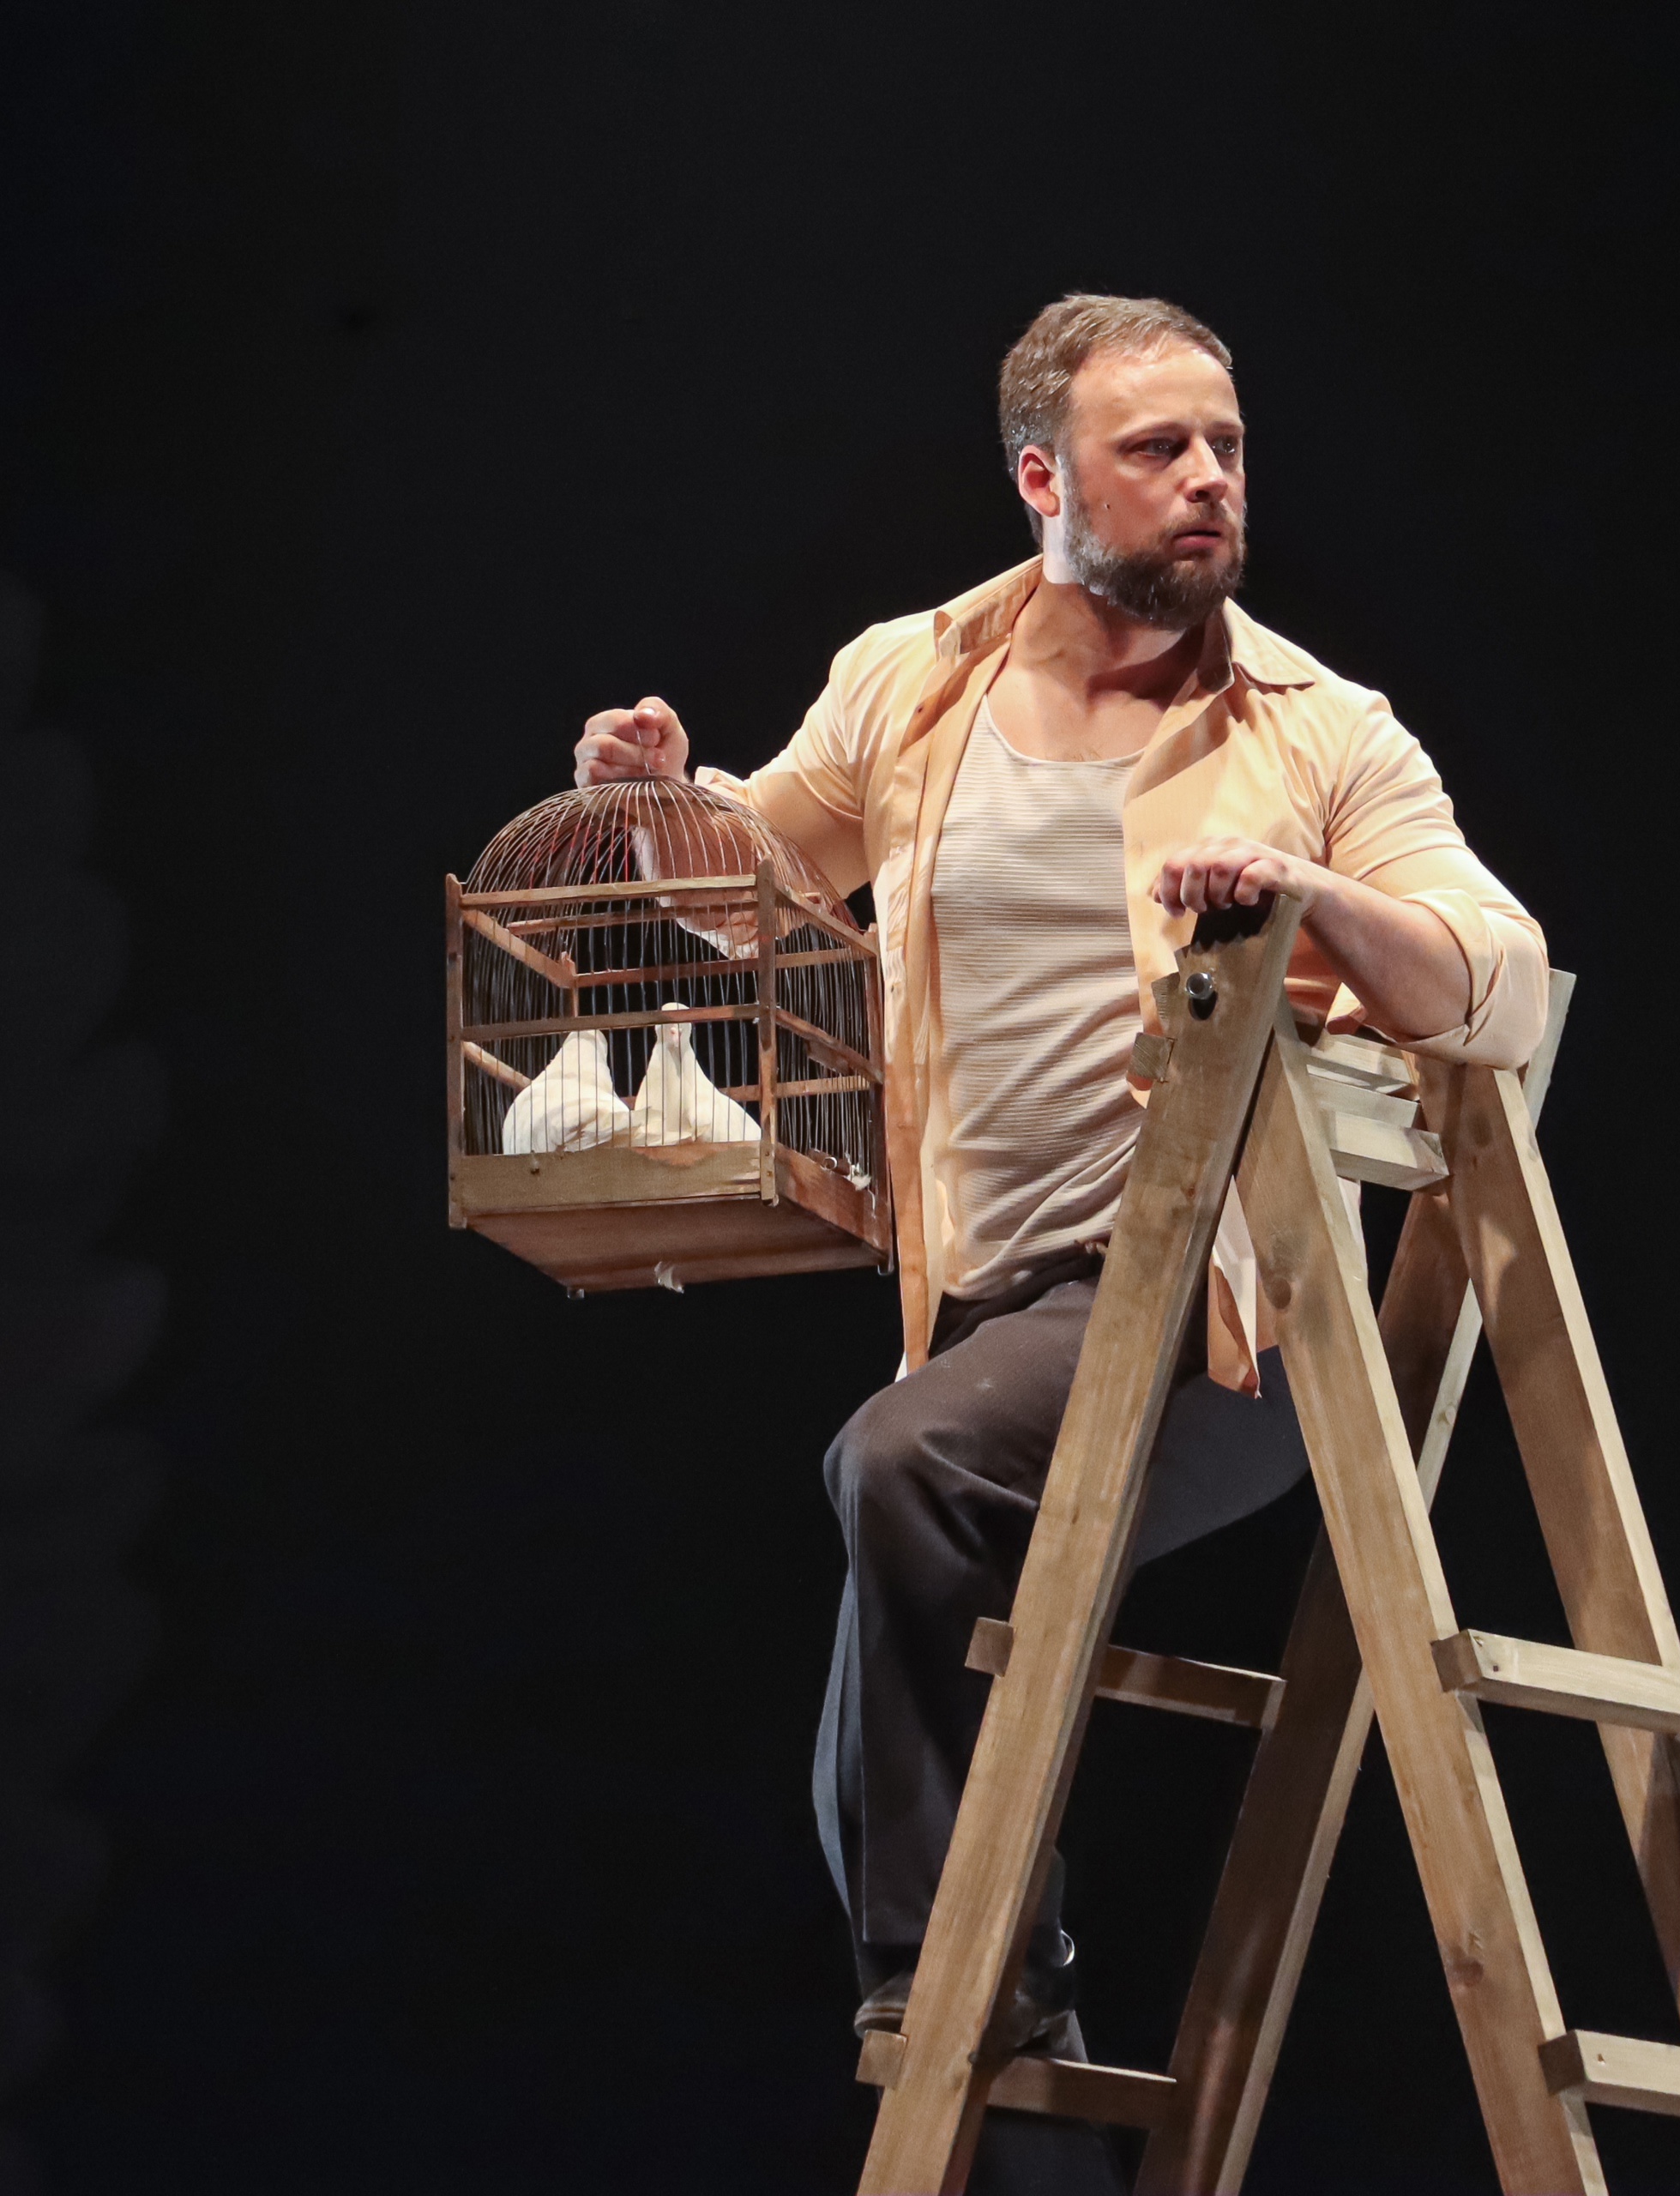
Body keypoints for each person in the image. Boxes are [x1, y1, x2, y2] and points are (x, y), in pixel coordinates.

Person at [574, 293, 1548, 2189]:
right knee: (878, 1696)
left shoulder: (1314, 729)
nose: (1208, 480)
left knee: (895, 1469)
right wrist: (654, 810)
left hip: (1224, 1329)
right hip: (990, 1322)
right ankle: (999, 2040)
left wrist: (1311, 899)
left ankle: (969, 2003)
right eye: (1157, 448)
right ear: (1043, 479)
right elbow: (757, 888)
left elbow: (1493, 982)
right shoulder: (912, 680)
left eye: (1226, 446)